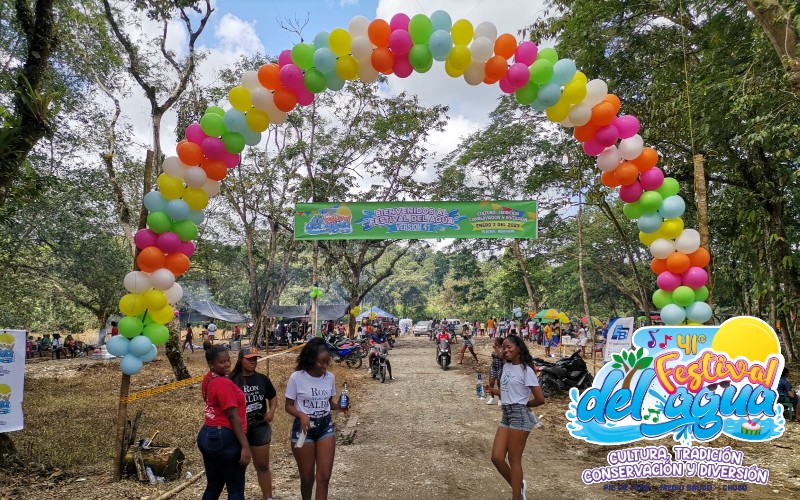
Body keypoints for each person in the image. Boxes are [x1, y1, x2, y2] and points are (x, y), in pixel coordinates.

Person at [285, 338, 348, 500]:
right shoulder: (296, 378)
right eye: (321, 362)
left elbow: (328, 403)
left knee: (324, 477)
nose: (325, 366)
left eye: (327, 362)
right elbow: (288, 406)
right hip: (303, 430)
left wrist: (339, 407)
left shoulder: (329, 378)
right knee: (307, 479)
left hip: (325, 427)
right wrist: (301, 414)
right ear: (311, 360)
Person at [484, 335, 545, 500]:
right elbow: (508, 392)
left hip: (519, 415)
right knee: (496, 457)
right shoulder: (507, 366)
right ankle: (519, 486)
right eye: (504, 347)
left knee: (514, 459)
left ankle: (516, 496)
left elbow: (540, 399)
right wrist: (493, 391)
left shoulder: (527, 370)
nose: (505, 350)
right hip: (506, 414)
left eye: (509, 346)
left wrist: (524, 405)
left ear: (518, 347)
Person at [197, 345, 251, 500]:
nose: (227, 364)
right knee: (235, 489)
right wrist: (245, 446)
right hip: (224, 436)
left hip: (208, 432)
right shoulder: (223, 383)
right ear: (211, 364)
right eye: (222, 362)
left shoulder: (209, 378)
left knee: (214, 486)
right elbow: (233, 417)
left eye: (228, 360)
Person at [230, 347, 278, 500]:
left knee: (262, 465)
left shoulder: (262, 379)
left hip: (259, 426)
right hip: (238, 428)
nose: (253, 362)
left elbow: (273, 396)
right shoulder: (231, 381)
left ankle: (268, 497)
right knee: (238, 467)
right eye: (249, 359)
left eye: (255, 359)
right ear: (240, 360)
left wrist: (271, 411)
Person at [486, 337, 504, 406]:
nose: (494, 342)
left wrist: (496, 349)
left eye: (495, 341)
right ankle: (492, 397)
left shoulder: (502, 349)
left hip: (500, 367)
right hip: (493, 367)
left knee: (499, 384)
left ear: (499, 342)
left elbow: (501, 356)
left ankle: (500, 398)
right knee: (491, 383)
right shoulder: (495, 348)